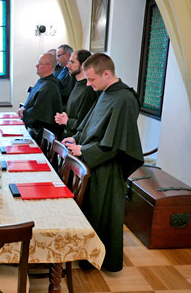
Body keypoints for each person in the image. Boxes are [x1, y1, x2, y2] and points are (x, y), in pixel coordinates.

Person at [62, 53, 144, 272]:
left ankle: (104, 260)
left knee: (103, 214)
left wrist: (83, 150)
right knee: (91, 212)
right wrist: (76, 138)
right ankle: (87, 257)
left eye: (92, 80)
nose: (89, 84)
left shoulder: (124, 99)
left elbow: (115, 145)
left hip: (106, 168)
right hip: (91, 161)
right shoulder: (105, 92)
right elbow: (91, 124)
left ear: (107, 73)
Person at [17, 53, 62, 142]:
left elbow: (40, 114)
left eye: (39, 63)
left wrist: (24, 112)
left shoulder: (49, 87)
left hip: (41, 136)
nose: (36, 65)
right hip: (36, 133)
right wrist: (24, 108)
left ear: (48, 67)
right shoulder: (43, 81)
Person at [54, 49, 98, 137]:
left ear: (83, 64)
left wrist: (67, 121)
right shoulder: (77, 83)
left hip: (76, 140)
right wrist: (62, 116)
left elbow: (85, 122)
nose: (67, 65)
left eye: (72, 62)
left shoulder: (88, 90)